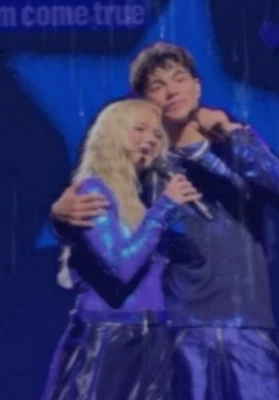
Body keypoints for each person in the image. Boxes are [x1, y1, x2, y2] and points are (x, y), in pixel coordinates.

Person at [51, 42, 279, 399]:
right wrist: (60, 219)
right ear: (146, 101)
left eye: (179, 78)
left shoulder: (235, 148)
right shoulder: (145, 167)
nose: (171, 91)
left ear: (197, 86)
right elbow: (105, 231)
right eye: (157, 85)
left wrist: (232, 136)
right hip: (178, 330)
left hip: (248, 323)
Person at [42, 98, 201, 400]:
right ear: (113, 134)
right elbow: (120, 267)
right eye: (139, 129)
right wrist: (165, 208)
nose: (150, 139)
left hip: (153, 337)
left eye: (157, 135)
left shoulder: (141, 200)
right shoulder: (94, 190)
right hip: (110, 338)